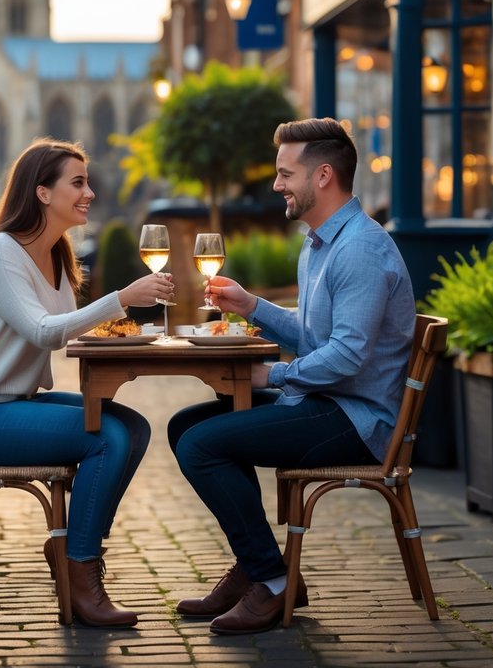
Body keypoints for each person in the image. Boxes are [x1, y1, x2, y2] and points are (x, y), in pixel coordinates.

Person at [168, 117, 416, 635]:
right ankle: (256, 565)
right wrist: (252, 305)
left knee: (202, 445)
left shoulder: (361, 250)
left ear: (323, 176)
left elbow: (345, 356)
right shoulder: (320, 243)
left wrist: (271, 375)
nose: (277, 184)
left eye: (286, 174)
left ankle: (274, 582)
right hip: (325, 401)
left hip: (357, 418)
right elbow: (313, 334)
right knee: (183, 428)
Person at [0, 138, 173, 627]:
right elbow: (43, 331)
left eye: (86, 182)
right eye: (78, 183)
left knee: (134, 428)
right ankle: (81, 572)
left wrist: (125, 331)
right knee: (108, 436)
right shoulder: (1, 252)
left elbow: (73, 335)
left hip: (19, 405)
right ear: (42, 192)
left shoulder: (57, 255)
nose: (89, 192)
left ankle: (73, 550)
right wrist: (122, 299)